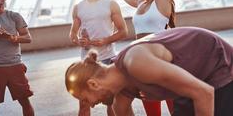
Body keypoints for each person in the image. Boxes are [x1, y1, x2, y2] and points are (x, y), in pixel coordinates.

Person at [65, 26, 233, 116]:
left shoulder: (136, 63)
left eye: (86, 99)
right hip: (191, 82)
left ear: (93, 84)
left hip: (218, 66)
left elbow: (204, 93)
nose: (92, 105)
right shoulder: (120, 94)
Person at [121, 0, 175, 115]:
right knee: (152, 113)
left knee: (177, 111)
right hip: (143, 66)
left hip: (163, 62)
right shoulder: (139, 3)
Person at [69, 0, 128, 116]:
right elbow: (72, 33)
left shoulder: (111, 4)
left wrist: (106, 40)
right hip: (86, 62)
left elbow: (123, 31)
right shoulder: (78, 7)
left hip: (107, 59)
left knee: (111, 102)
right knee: (84, 103)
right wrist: (78, 41)